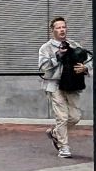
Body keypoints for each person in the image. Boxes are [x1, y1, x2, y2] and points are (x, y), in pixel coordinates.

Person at [38, 16, 90, 159]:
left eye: (64, 27)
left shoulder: (73, 45)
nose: (62, 30)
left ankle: (55, 133)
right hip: (55, 85)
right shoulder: (46, 48)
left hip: (72, 85)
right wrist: (57, 56)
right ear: (53, 30)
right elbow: (42, 67)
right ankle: (64, 147)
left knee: (75, 117)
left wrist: (85, 68)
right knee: (62, 117)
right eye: (58, 27)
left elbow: (89, 60)